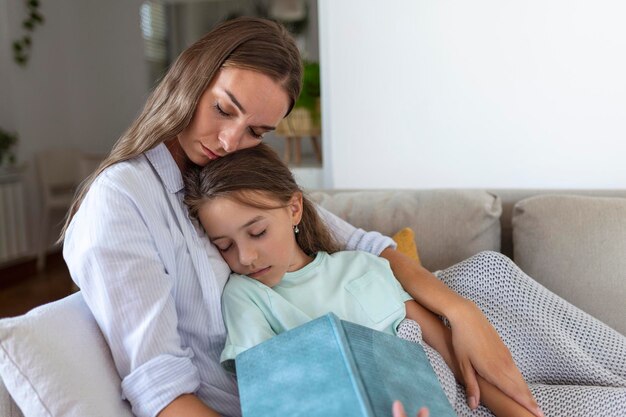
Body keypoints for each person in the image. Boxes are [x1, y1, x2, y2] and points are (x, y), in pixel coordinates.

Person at [63, 16, 541, 417]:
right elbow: (160, 390)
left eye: (256, 131)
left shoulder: (224, 171)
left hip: (358, 374)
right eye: (223, 109)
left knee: (488, 281)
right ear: (192, 77)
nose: (230, 141)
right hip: (298, 400)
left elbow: (364, 245)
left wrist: (461, 311)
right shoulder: (122, 200)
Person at [183, 144, 626, 417]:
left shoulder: (359, 267)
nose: (245, 256)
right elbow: (273, 397)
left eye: (257, 232)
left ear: (294, 209)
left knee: (491, 274)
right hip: (398, 404)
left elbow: (453, 354)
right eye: (224, 245)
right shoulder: (247, 296)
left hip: (472, 394)